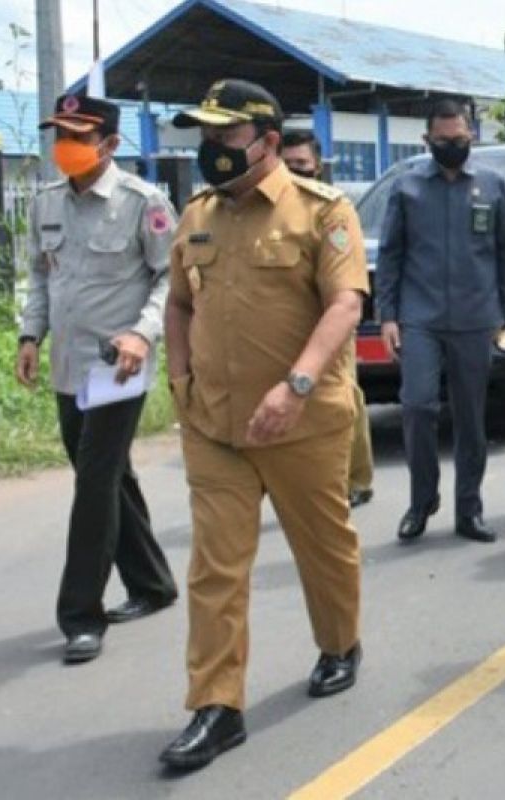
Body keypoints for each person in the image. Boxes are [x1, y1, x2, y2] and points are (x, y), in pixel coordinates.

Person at [159, 79, 367, 771]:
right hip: (215, 425)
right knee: (215, 568)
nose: (210, 150)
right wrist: (180, 379)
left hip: (301, 422)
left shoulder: (322, 212)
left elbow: (345, 306)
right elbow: (179, 306)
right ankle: (216, 706)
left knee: (323, 546)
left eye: (224, 137)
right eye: (205, 138)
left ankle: (339, 643)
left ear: (268, 142)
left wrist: (298, 384)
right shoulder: (196, 215)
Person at [16, 95, 179, 665]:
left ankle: (81, 615)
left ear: (109, 143)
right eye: (60, 133)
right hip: (68, 365)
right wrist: (29, 336)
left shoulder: (143, 203)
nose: (67, 145)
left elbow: (170, 280)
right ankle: (153, 583)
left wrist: (142, 334)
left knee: (94, 482)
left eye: (79, 135)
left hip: (118, 364)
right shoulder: (46, 203)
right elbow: (41, 276)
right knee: (109, 476)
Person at [376, 99, 505, 544]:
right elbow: (391, 255)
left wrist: (503, 312)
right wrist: (388, 315)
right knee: (417, 406)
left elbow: (504, 255)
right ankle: (422, 501)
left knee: (471, 417)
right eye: (443, 141)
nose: (452, 146)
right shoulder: (407, 188)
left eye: (459, 139)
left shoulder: (493, 186)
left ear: (471, 136)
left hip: (476, 319)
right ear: (427, 141)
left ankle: (469, 510)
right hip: (421, 317)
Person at [281, 129, 376, 507]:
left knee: (342, 399)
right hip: (286, 327)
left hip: (331, 322)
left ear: (317, 166)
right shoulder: (263, 211)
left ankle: (356, 477)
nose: (294, 172)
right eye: (286, 165)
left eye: (301, 165)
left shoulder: (331, 210)